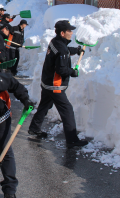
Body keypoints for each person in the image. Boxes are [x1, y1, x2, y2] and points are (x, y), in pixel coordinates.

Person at [28, 20, 88, 148]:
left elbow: (63, 51)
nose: (72, 33)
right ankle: (72, 140)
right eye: (69, 31)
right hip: (55, 85)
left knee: (44, 106)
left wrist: (75, 50)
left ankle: (34, 128)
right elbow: (61, 69)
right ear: (62, 33)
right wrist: (73, 72)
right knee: (67, 111)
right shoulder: (61, 49)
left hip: (47, 82)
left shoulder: (54, 42)